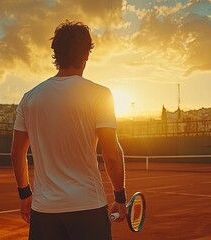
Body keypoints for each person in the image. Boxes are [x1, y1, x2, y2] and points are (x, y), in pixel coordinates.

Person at [11, 20, 127, 240]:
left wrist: (25, 194)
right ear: (87, 55)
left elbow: (17, 153)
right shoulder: (100, 94)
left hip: (44, 210)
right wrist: (120, 198)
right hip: (88, 207)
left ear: (55, 54)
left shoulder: (29, 98)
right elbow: (111, 153)